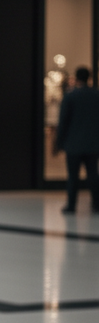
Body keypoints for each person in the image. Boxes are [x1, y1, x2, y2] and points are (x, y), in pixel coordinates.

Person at [55, 66, 99, 214]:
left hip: (73, 144)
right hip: (93, 143)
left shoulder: (70, 96)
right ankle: (96, 204)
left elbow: (63, 121)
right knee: (93, 174)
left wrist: (59, 142)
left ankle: (71, 205)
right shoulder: (96, 95)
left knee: (73, 176)